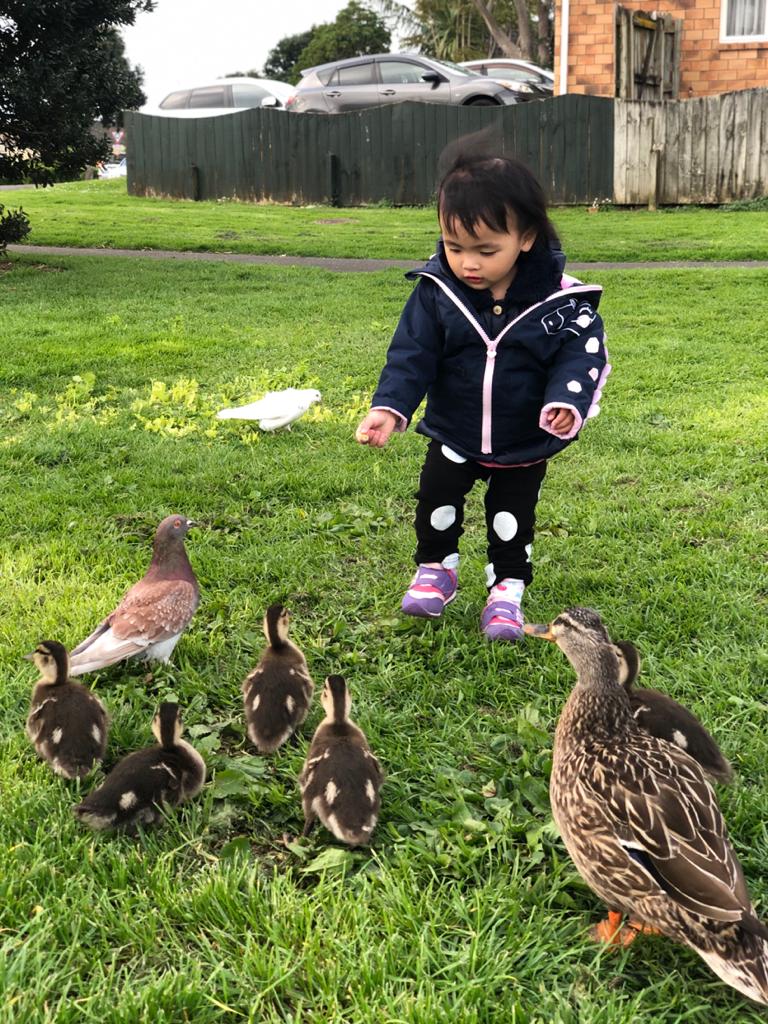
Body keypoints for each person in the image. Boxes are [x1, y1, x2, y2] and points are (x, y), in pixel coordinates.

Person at [355, 148, 610, 641]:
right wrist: (390, 409)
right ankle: (436, 569)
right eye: (454, 246)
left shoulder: (560, 302)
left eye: (486, 250)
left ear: (526, 238)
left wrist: (566, 402)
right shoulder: (437, 291)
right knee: (436, 497)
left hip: (522, 438)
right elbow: (412, 353)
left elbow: (582, 354)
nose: (467, 263)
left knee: (512, 517)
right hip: (454, 428)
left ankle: (506, 591)